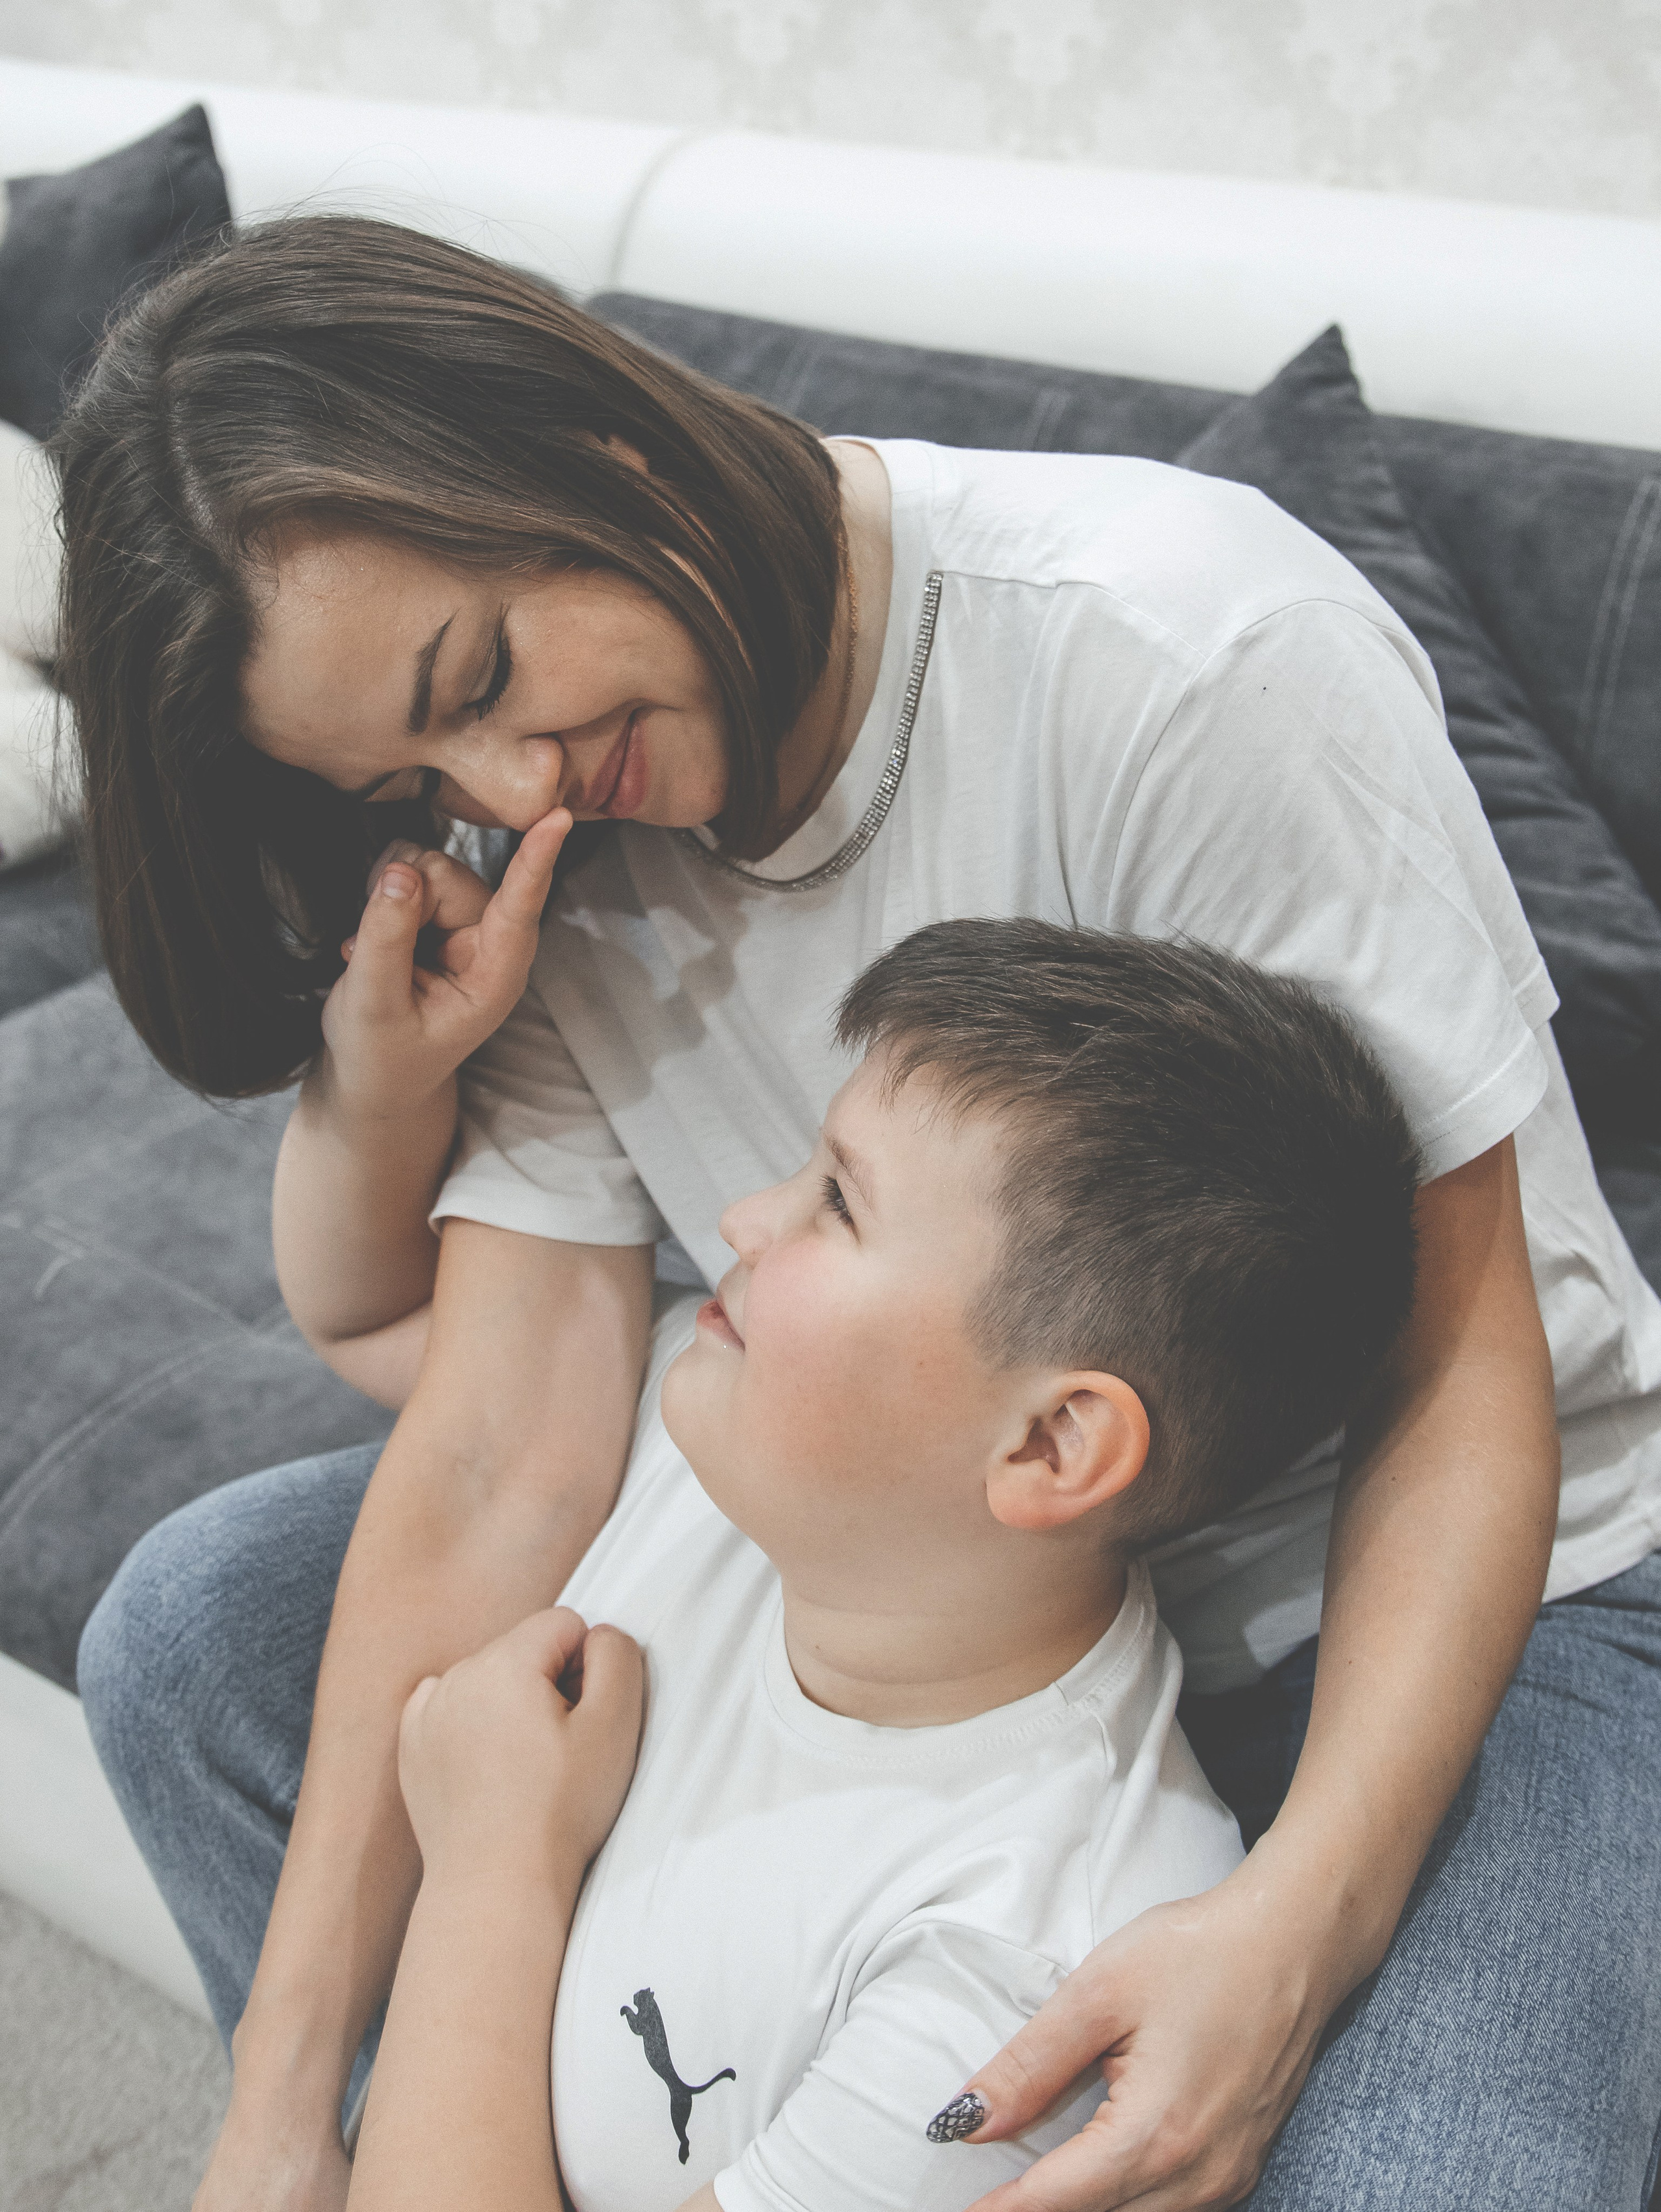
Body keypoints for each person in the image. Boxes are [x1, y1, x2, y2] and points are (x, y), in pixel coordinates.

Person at [60, 214, 1661, 2212]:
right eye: (412, 769)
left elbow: (1465, 1355)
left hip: (1455, 1567)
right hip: (930, 1551)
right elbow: (493, 1441)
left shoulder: (1175, 654)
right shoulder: (545, 836)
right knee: (205, 1629)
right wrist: (275, 2119)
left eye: (479, 675)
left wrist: (1300, 1928)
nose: (502, 778)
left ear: (588, 442)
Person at [345, 918, 1418, 2212]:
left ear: (1049, 1442)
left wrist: (489, 1868)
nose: (740, 1214)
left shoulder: (1015, 1971)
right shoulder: (731, 1433)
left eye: (835, 1202)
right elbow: (381, 1326)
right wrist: (365, 1097)